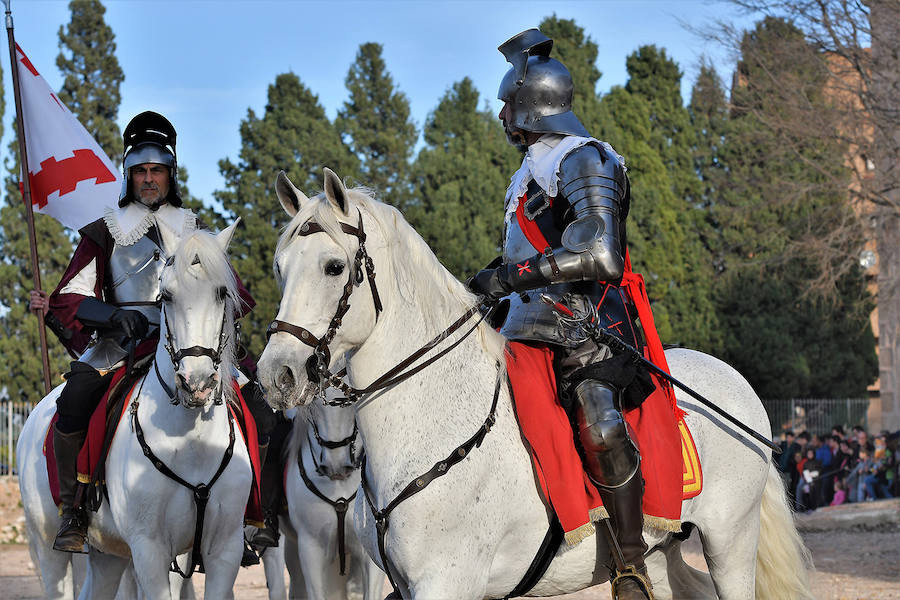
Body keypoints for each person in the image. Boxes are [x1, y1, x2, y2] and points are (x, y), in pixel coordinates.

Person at [467, 28, 663, 600]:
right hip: (524, 322)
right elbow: (524, 252)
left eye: (508, 104)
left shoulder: (585, 159)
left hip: (590, 324)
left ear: (532, 106)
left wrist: (511, 278)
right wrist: (485, 281)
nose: (502, 114)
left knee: (598, 419)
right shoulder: (526, 173)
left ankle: (630, 562)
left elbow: (600, 255)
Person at [39, 111, 277, 553]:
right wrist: (112, 317)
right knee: (73, 399)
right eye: (141, 171)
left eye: (157, 171)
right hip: (120, 342)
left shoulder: (193, 230)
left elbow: (236, 296)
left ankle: (255, 513)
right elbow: (69, 296)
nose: (149, 179)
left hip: (192, 341)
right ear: (129, 176)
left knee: (262, 408)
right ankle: (74, 510)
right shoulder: (104, 231)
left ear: (171, 174)